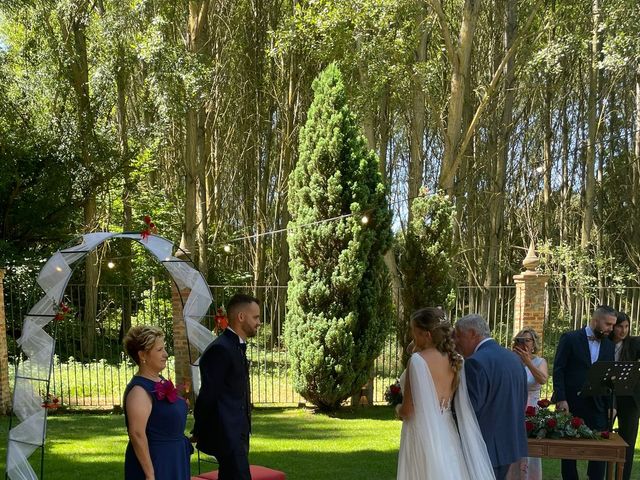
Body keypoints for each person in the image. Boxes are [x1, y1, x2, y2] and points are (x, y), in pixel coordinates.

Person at [396, 307, 495, 480]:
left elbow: (408, 410)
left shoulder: (417, 361)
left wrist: (397, 410)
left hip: (421, 431)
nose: (413, 337)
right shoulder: (455, 359)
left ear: (427, 335)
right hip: (447, 430)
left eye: (415, 333)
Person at [192, 293, 261, 480]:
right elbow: (208, 394)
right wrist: (199, 428)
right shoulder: (221, 349)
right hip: (226, 432)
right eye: (255, 317)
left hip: (238, 431)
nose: (259, 322)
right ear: (241, 317)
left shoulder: (237, 346)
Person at [454, 314, 528, 480]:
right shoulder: (514, 359)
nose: (456, 341)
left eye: (459, 335)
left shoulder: (475, 362)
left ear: (473, 333)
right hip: (509, 442)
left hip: (484, 444)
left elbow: (470, 408)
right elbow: (522, 400)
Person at [552, 305, 617, 480]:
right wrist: (561, 398)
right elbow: (558, 370)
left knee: (599, 451)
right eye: (608, 324)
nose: (611, 329)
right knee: (569, 451)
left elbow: (610, 378)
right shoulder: (570, 338)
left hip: (598, 405)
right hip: (572, 403)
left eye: (613, 325)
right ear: (596, 320)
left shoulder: (609, 346)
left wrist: (613, 405)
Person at [123, 325, 192, 480]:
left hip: (174, 457)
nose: (166, 354)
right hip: (156, 462)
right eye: (160, 350)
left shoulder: (159, 381)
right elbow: (137, 434)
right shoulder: (139, 391)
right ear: (143, 355)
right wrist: (150, 474)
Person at [507, 328, 549, 480]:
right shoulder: (510, 360)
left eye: (527, 340)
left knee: (530, 449)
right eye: (520, 340)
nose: (524, 343)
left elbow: (543, 380)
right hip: (512, 408)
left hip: (531, 410)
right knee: (512, 447)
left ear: (533, 344)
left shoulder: (540, 361)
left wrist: (528, 362)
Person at [609, 311, 640, 480]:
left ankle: (624, 477)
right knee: (604, 437)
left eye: (626, 326)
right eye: (620, 326)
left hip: (629, 398)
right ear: (613, 327)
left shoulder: (634, 343)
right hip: (607, 395)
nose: (623, 330)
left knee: (628, 439)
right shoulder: (604, 343)